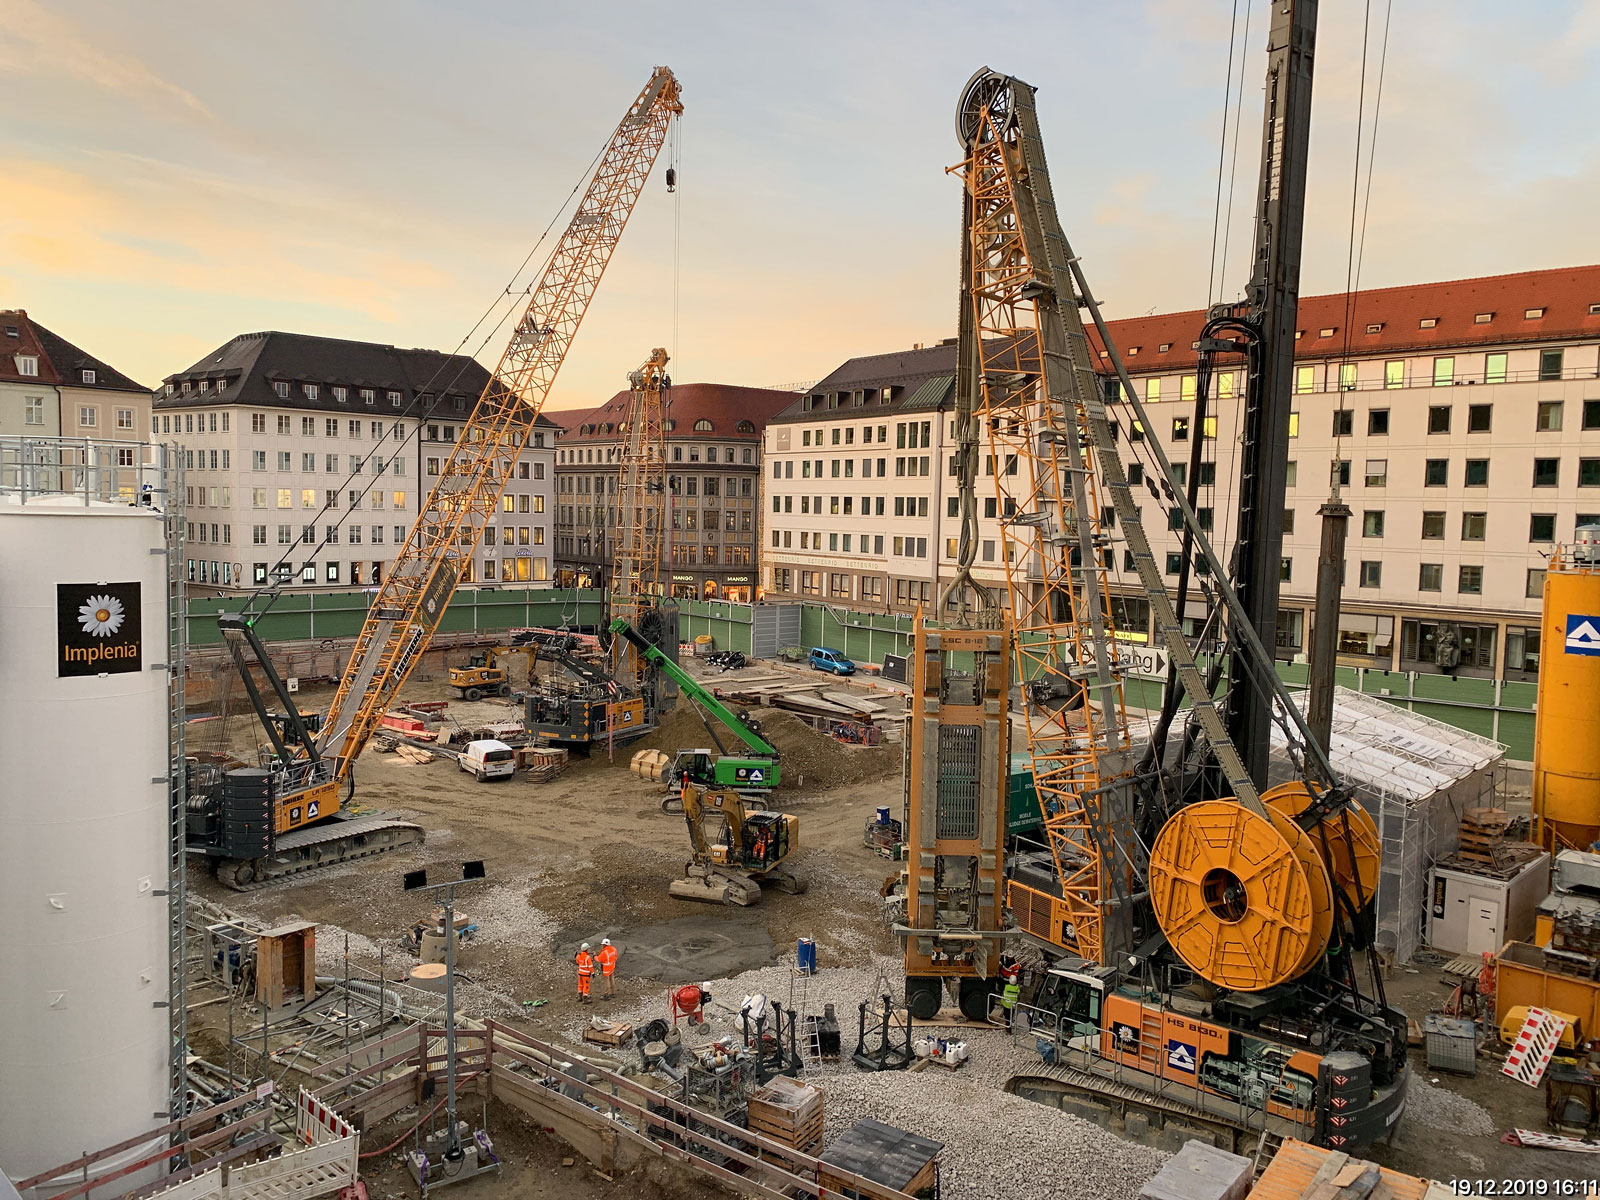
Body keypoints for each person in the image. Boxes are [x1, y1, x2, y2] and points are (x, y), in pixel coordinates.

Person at [997, 953, 1022, 1028]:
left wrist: (1002, 966)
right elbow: (1018, 994)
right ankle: (1009, 1026)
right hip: (1013, 1005)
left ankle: (1008, 1026)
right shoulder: (1016, 988)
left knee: (1007, 1015)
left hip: (1006, 1005)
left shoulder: (1007, 987)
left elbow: (1004, 995)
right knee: (1010, 1016)